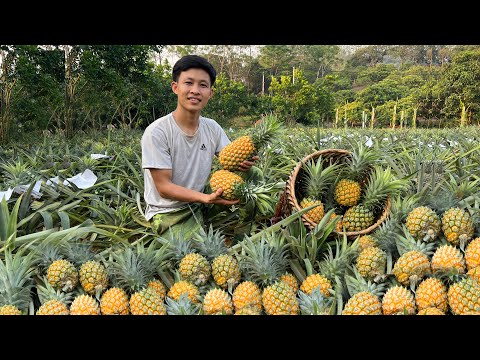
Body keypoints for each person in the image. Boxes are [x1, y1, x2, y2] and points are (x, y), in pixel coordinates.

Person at [141, 54, 257, 239]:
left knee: (252, 175)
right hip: (169, 211)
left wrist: (243, 162)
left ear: (210, 93)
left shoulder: (212, 127)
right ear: (175, 87)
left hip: (202, 199)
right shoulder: (157, 132)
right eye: (188, 83)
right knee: (196, 256)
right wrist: (205, 198)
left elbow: (229, 159)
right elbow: (163, 187)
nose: (195, 90)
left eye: (203, 85)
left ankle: (242, 231)